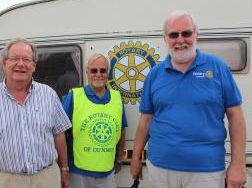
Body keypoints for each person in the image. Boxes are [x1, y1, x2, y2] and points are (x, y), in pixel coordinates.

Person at [130, 10, 247, 188]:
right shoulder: (155, 74)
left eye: (186, 33)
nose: (180, 40)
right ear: (165, 39)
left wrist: (238, 164)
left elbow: (235, 116)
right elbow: (145, 120)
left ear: (196, 35)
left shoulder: (218, 67)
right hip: (160, 167)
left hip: (206, 170)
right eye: (173, 35)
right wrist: (136, 158)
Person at [0, 39, 72, 188]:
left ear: (33, 66)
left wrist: (64, 169)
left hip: (47, 177)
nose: (20, 64)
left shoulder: (49, 94)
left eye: (26, 59)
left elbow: (59, 135)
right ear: (4, 63)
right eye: (14, 58)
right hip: (6, 180)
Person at [62, 54, 128, 188]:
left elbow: (121, 129)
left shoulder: (116, 98)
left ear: (107, 73)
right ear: (87, 72)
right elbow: (61, 134)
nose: (98, 74)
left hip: (107, 171)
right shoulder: (74, 96)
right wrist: (63, 166)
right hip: (78, 172)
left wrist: (120, 159)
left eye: (103, 70)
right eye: (94, 70)